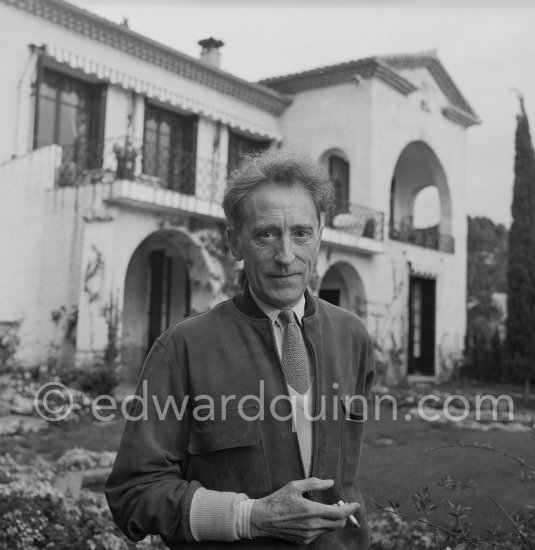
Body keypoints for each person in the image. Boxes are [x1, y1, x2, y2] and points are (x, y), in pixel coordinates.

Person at [105, 149, 375, 549]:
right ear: (234, 242)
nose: (286, 256)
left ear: (320, 234)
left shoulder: (353, 335)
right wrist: (252, 518)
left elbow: (346, 474)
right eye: (265, 234)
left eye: (301, 232)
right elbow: (134, 494)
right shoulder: (183, 348)